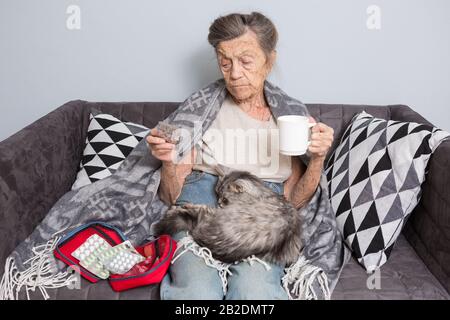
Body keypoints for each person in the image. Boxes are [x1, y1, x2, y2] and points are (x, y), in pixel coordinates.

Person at [146, 12, 334, 300]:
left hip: (262, 221)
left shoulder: (290, 116)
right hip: (196, 213)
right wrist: (169, 160)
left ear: (268, 61)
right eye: (225, 61)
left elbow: (295, 201)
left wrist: (318, 158)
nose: (234, 73)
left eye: (246, 61)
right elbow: (171, 198)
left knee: (256, 291)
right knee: (197, 291)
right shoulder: (201, 108)